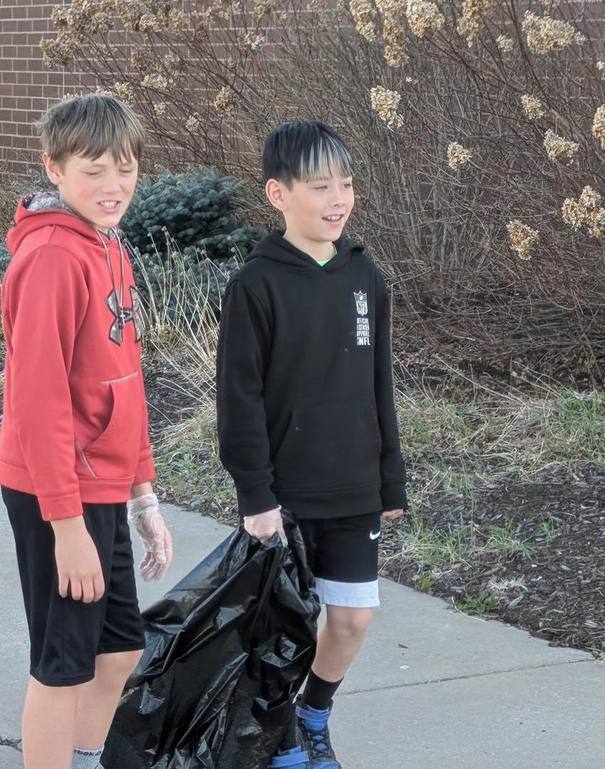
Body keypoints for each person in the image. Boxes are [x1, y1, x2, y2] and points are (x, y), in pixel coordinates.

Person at [216, 121, 407, 769]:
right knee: (284, 629)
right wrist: (256, 495)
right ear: (278, 194)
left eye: (346, 184)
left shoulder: (365, 277)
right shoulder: (255, 286)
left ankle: (313, 713)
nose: (338, 197)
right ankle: (281, 738)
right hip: (286, 496)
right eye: (321, 184)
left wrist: (391, 479)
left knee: (352, 618)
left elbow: (378, 383)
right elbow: (238, 401)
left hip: (353, 486)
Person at [0, 93, 173, 769]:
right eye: (93, 169)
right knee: (63, 663)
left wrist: (144, 493)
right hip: (54, 490)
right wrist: (65, 524)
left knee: (120, 646)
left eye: (123, 167)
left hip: (101, 485)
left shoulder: (108, 248)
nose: (112, 184)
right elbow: (36, 405)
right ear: (54, 169)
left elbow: (124, 379)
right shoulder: (50, 260)